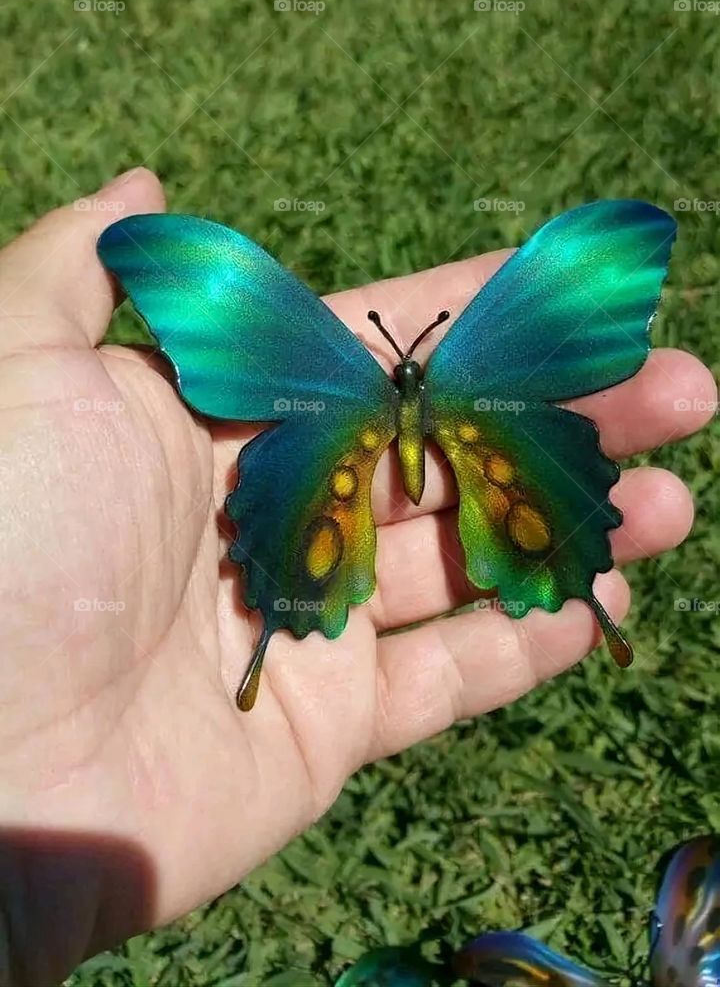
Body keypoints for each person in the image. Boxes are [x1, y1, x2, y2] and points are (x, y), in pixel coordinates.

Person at [0, 170, 715, 986]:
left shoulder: (328, 378)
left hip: (322, 450)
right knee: (517, 505)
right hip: (480, 440)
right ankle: (289, 632)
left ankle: (280, 639)